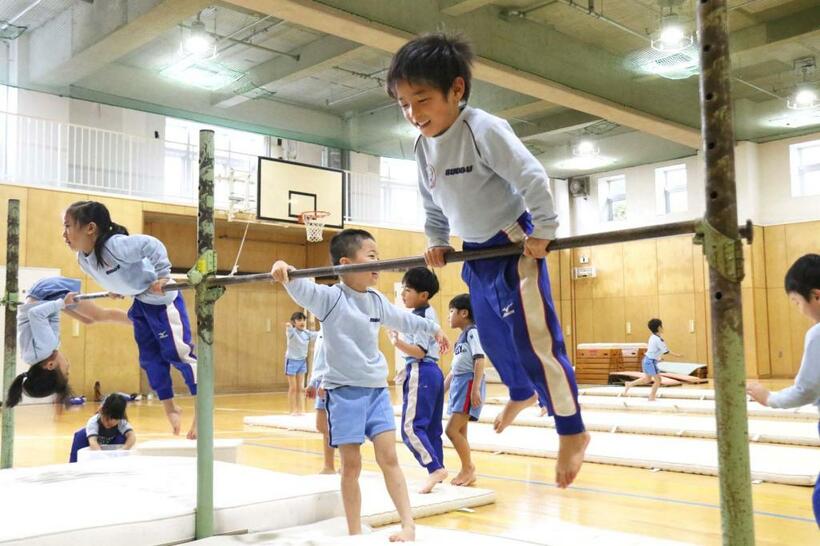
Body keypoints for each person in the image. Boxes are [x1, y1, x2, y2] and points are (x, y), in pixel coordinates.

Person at [387, 32, 588, 488]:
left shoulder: (483, 129)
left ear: (456, 90)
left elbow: (532, 176)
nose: (414, 114)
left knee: (536, 341)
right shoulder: (422, 147)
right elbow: (433, 203)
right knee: (494, 339)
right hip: (475, 250)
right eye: (403, 104)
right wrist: (437, 240)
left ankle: (572, 431)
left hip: (513, 239)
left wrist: (545, 230)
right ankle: (520, 392)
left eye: (422, 100)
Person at [271, 228, 449, 542]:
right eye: (371, 256)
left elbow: (403, 319)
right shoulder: (330, 297)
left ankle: (408, 525)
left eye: (378, 256)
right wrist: (283, 268)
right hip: (344, 394)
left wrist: (434, 329)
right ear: (345, 263)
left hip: (377, 391)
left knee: (389, 458)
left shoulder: (376, 300)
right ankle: (353, 532)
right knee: (351, 466)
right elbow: (299, 287)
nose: (377, 261)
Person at [63, 200, 197, 438]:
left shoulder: (116, 245)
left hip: (163, 303)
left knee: (178, 355)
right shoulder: (83, 259)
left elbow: (152, 245)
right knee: (150, 360)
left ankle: (203, 412)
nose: (64, 234)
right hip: (141, 304)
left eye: (69, 226)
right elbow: (114, 275)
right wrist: (117, 287)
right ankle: (171, 407)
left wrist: (164, 276)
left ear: (90, 228)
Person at [747, 253, 820, 526]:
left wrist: (770, 398)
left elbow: (806, 390)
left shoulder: (817, 334)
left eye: (797, 302)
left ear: (816, 296)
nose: (798, 310)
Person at [4, 276, 130, 408]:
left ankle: (144, 323)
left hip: (47, 293)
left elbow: (35, 314)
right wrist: (61, 306)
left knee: (100, 315)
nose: (69, 367)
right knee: (89, 320)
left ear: (51, 365)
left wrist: (61, 303)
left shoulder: (46, 347)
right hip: (42, 299)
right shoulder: (34, 359)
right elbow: (42, 318)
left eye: (66, 371)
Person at [389, 267, 446, 493]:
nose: (403, 294)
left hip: (422, 370)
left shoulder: (420, 317)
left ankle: (434, 468)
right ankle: (438, 469)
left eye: (408, 290)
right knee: (431, 427)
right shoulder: (427, 313)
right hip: (432, 372)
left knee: (410, 428)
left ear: (423, 295)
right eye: (403, 289)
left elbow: (420, 351)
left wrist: (396, 342)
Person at [443, 294, 486, 486]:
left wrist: (475, 388)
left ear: (464, 313)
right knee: (460, 432)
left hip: (468, 383)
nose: (448, 316)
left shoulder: (472, 332)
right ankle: (466, 468)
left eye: (451, 311)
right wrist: (442, 390)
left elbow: (480, 359)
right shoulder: (462, 336)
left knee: (451, 430)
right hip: (459, 383)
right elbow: (454, 369)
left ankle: (468, 468)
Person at [623, 318, 682, 401]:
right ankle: (651, 396)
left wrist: (658, 359)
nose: (663, 327)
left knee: (647, 379)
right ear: (659, 328)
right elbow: (666, 351)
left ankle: (629, 384)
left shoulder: (652, 337)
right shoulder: (658, 340)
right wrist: (678, 355)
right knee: (658, 380)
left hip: (648, 360)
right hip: (649, 362)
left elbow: (653, 351)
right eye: (661, 326)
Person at [305, 323, 337, 474]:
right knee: (322, 426)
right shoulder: (321, 331)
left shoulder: (335, 327)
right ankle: (329, 465)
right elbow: (318, 360)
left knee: (334, 426)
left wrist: (326, 381)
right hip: (320, 380)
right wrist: (312, 382)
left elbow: (336, 358)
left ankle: (340, 464)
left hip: (330, 380)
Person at [69, 394, 136, 462]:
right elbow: (93, 442)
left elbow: (132, 436)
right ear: (101, 411)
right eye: (106, 420)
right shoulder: (93, 422)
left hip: (111, 447)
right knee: (80, 435)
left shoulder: (122, 422)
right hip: (95, 448)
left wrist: (123, 451)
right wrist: (102, 457)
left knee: (123, 438)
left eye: (112, 424)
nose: (107, 424)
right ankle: (74, 466)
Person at [285, 311, 319, 415]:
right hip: (291, 361)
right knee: (293, 388)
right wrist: (289, 326)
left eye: (303, 320)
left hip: (302, 362)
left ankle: (300, 410)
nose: (302, 322)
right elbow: (289, 329)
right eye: (299, 320)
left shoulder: (307, 333)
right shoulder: (292, 332)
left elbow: (319, 335)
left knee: (300, 388)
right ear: (294, 322)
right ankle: (292, 410)